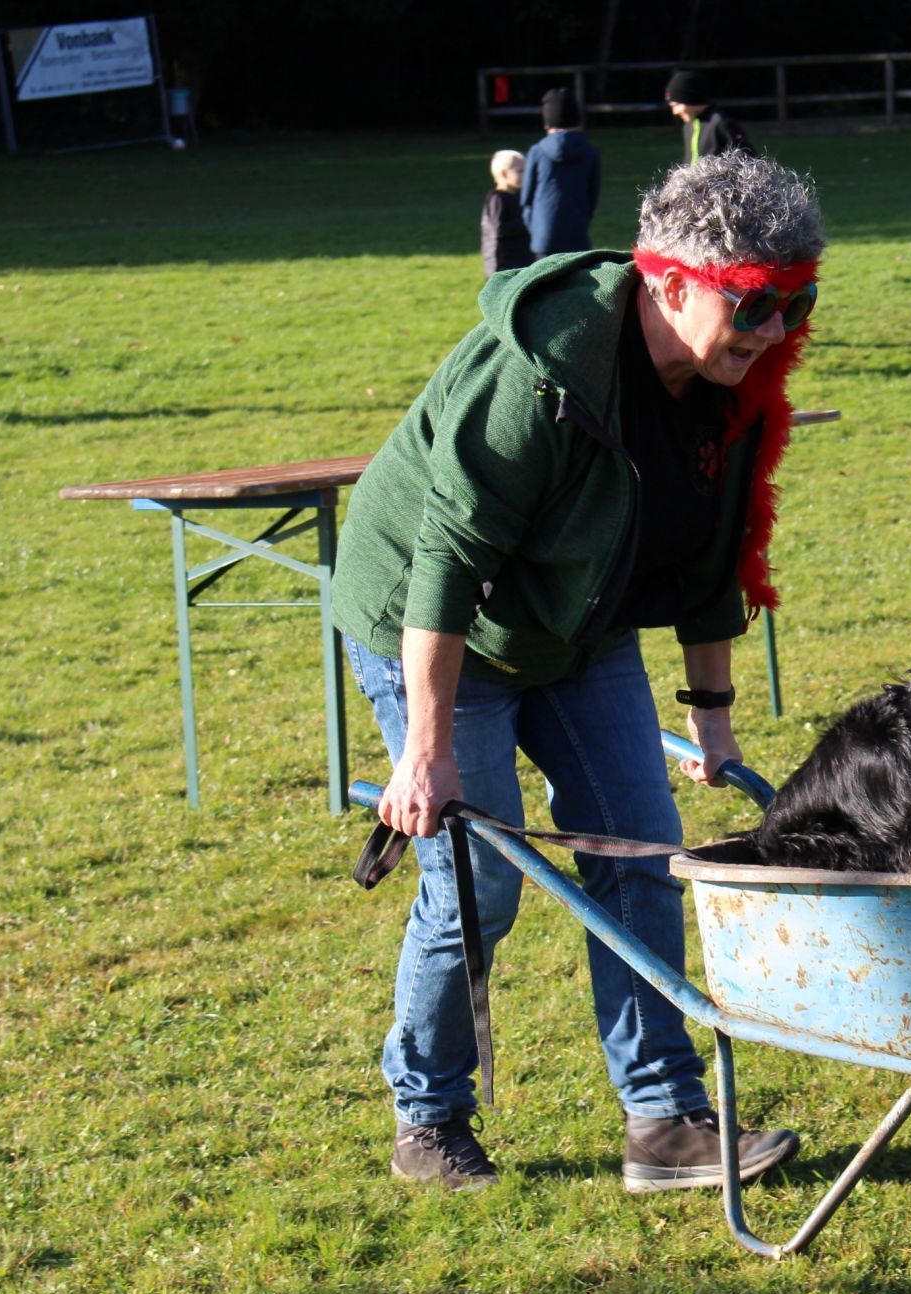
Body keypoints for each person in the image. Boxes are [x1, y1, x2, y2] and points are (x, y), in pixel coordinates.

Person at [332, 152, 824, 1191]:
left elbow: (710, 558)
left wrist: (714, 715)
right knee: (477, 884)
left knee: (644, 854)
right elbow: (447, 557)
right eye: (751, 303)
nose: (773, 329)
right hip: (432, 622)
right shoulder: (540, 372)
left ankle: (665, 1124)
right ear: (668, 280)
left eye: (793, 301)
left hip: (576, 629)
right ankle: (427, 1117)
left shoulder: (731, 387)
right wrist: (422, 754)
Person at [522, 87, 601, 257]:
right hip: (577, 233)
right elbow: (592, 196)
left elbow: (526, 198)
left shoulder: (538, 151)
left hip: (544, 234)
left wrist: (536, 229)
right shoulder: (590, 152)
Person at [664, 68, 751, 164]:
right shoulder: (689, 125)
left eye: (677, 105)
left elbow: (747, 160)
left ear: (692, 98)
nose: (675, 112)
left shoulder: (721, 123)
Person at [479, 149, 533, 277]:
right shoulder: (497, 198)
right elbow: (500, 228)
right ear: (504, 174)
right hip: (503, 265)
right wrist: (529, 220)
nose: (526, 175)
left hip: (520, 260)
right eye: (520, 171)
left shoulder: (518, 197)